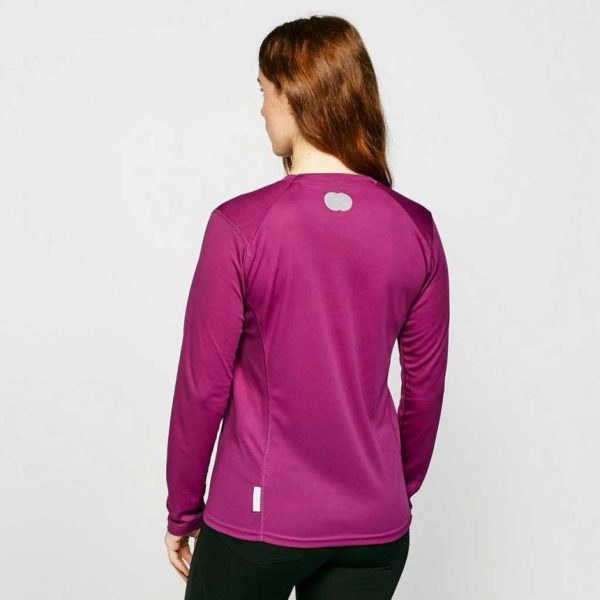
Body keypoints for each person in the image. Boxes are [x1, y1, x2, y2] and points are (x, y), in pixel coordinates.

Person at [164, 14, 450, 600]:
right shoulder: (416, 230)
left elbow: (202, 386)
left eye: (264, 92)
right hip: (374, 525)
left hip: (258, 523)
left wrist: (183, 508)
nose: (261, 110)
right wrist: (390, 489)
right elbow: (425, 390)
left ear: (294, 95)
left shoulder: (239, 226)